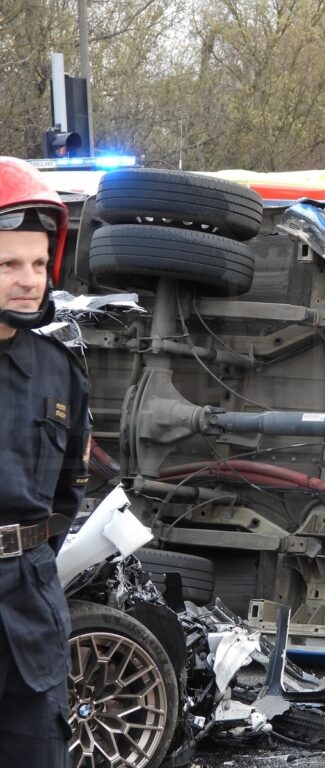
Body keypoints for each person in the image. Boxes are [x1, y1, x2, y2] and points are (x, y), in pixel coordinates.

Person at [0, 157, 90, 766]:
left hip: (29, 614)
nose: (28, 280)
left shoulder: (60, 371)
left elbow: (65, 497)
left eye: (37, 264)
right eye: (8, 265)